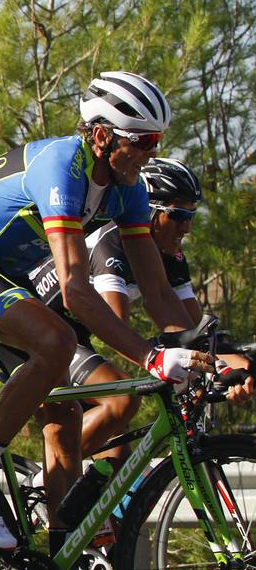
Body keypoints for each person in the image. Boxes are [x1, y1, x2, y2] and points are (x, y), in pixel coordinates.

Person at [0, 71, 212, 570]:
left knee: (64, 415)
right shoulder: (62, 166)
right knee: (54, 341)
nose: (152, 153)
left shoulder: (127, 189)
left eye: (158, 141)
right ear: (102, 136)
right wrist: (152, 358)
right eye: (143, 141)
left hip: (9, 277)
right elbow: (76, 288)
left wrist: (200, 353)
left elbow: (157, 292)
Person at [26, 157, 252, 475]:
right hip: (39, 330)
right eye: (179, 215)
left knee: (117, 452)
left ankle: (97, 521)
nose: (187, 226)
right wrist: (177, 362)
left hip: (78, 334)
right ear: (151, 211)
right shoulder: (111, 244)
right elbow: (117, 328)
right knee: (121, 402)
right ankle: (47, 481)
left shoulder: (171, 256)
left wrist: (229, 366)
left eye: (192, 215)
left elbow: (189, 329)